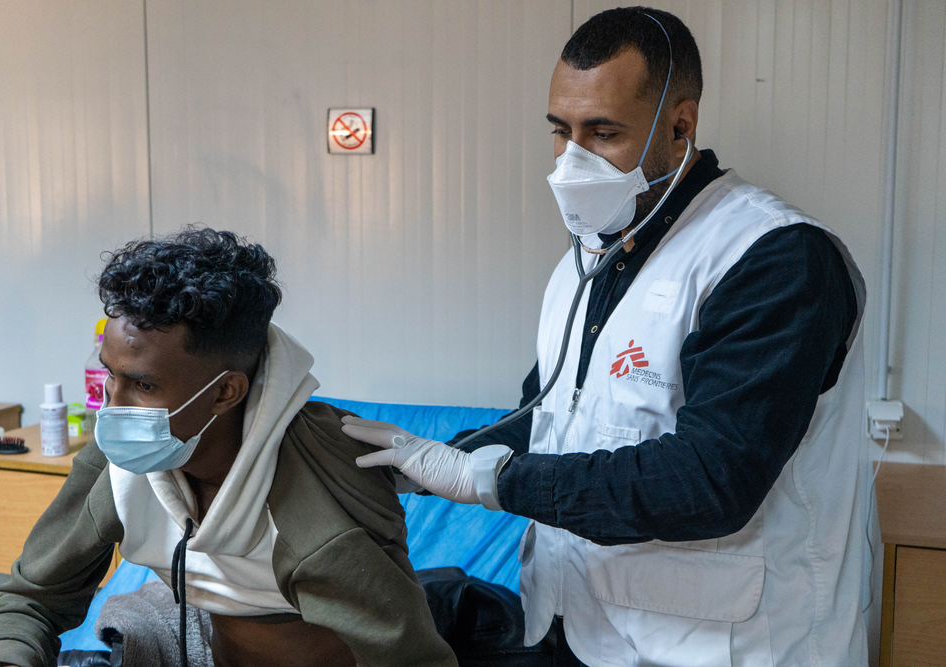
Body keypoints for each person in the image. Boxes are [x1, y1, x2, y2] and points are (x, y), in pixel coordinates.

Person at [342, 7, 870, 667]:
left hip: (728, 647)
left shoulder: (774, 259)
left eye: (603, 132)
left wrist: (488, 480)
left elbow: (710, 480)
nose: (572, 160)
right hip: (583, 629)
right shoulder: (586, 259)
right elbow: (548, 422)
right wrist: (426, 464)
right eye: (560, 131)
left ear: (681, 125)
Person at [0, 228, 457, 667]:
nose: (113, 409)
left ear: (225, 392)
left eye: (143, 386)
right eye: (110, 377)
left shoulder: (321, 487)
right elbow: (30, 600)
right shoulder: (119, 462)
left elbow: (409, 654)